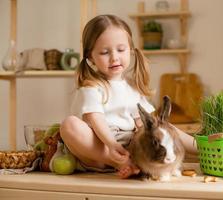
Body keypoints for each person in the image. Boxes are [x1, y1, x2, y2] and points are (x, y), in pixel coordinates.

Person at [60, 14, 198, 178]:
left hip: (131, 146)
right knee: (69, 125)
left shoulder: (132, 86)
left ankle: (203, 147)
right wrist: (111, 145)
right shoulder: (92, 86)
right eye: (105, 52)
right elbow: (95, 118)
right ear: (91, 56)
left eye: (120, 50)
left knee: (162, 126)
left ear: (130, 50)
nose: (114, 57)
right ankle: (121, 163)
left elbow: (141, 123)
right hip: (99, 149)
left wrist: (150, 135)